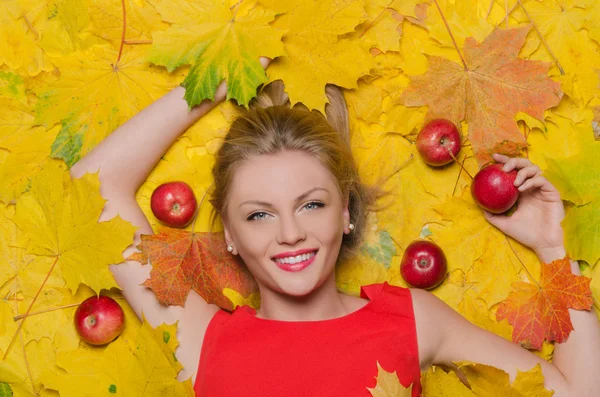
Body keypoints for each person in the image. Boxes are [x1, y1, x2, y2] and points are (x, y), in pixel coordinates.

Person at [70, 64, 600, 396]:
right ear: (228, 234)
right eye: (258, 214)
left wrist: (554, 250)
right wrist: (216, 77)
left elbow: (579, 393)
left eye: (312, 204)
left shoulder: (410, 318)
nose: (290, 233)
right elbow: (92, 185)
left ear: (345, 213)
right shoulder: (199, 336)